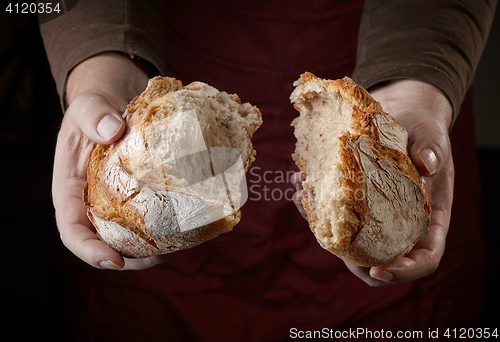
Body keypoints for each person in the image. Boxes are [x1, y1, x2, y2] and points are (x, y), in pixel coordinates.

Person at [41, 0, 496, 340]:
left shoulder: (390, 131)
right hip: (154, 72)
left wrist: (417, 85)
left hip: (393, 93)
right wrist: (101, 67)